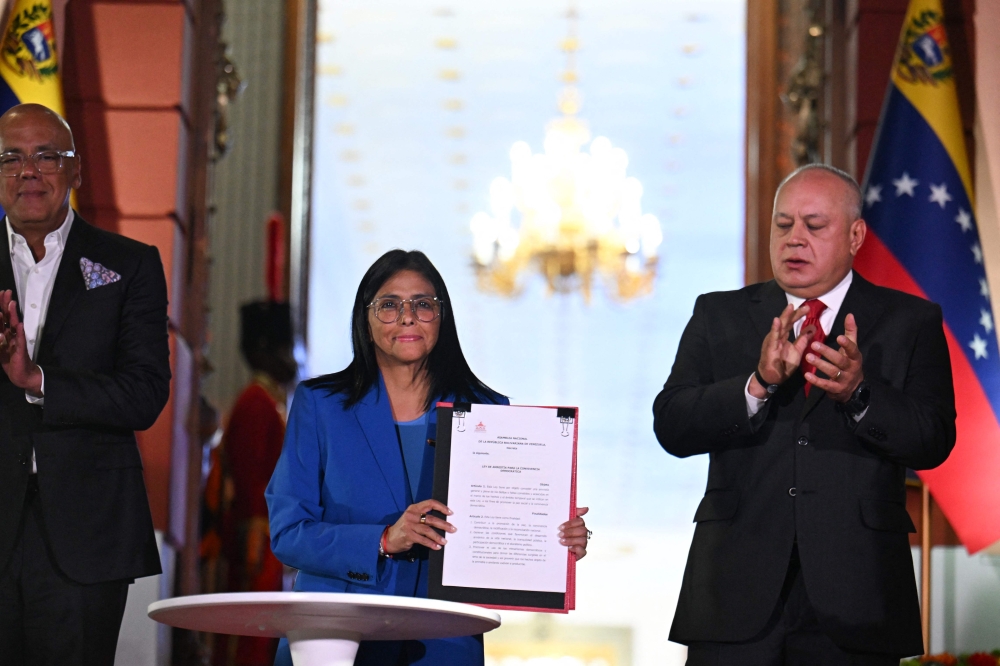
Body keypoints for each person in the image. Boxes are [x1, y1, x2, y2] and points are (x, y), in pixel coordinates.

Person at [653, 164, 955, 665]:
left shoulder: (911, 322)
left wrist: (860, 394)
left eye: (814, 226)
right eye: (783, 224)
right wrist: (758, 384)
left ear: (856, 235)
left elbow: (933, 439)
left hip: (859, 598)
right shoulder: (719, 314)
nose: (794, 239)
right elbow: (672, 424)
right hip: (735, 595)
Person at [266, 249, 590, 665]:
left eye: (423, 304)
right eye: (388, 305)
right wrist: (383, 539)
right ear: (365, 321)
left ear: (442, 318)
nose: (407, 317)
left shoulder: (488, 411)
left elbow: (501, 528)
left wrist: (554, 536)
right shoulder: (321, 405)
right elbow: (289, 532)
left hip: (444, 638)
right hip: (336, 634)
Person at [0, 104, 171, 664]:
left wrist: (39, 379)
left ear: (77, 171)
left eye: (46, 155)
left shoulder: (130, 265)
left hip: (86, 536)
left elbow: (145, 393)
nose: (28, 171)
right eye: (10, 157)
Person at [205, 301, 297, 666]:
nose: (291, 359)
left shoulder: (268, 400)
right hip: (256, 542)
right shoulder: (255, 404)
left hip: (268, 541)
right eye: (284, 349)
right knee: (251, 640)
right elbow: (250, 480)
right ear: (262, 351)